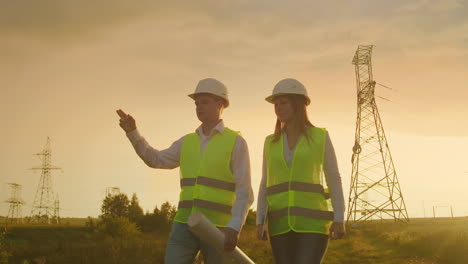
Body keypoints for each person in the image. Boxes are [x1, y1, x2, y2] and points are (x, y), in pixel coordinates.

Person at [116, 78, 254, 264]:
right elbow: (155, 159)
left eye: (204, 101)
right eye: (196, 103)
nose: (199, 106)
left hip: (218, 227)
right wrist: (133, 133)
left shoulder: (236, 143)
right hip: (185, 224)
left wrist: (234, 226)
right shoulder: (187, 142)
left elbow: (244, 191)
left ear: (220, 104)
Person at [256, 78, 346, 264]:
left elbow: (333, 178)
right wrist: (260, 219)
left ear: (298, 104)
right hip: (279, 225)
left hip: (313, 224)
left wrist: (339, 218)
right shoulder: (270, 142)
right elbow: (265, 183)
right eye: (276, 104)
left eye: (283, 103)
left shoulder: (320, 137)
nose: (278, 108)